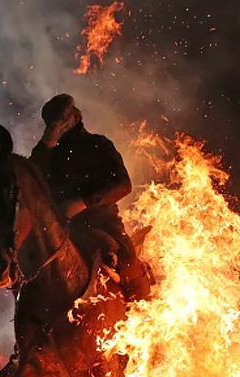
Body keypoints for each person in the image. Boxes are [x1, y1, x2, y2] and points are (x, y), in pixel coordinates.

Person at [29, 93, 151, 301]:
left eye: (61, 121)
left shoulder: (99, 145)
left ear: (75, 118)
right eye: (52, 124)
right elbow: (30, 179)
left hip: (101, 223)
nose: (58, 127)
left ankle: (143, 308)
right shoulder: (46, 154)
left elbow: (123, 185)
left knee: (129, 265)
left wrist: (83, 203)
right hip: (59, 228)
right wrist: (47, 143)